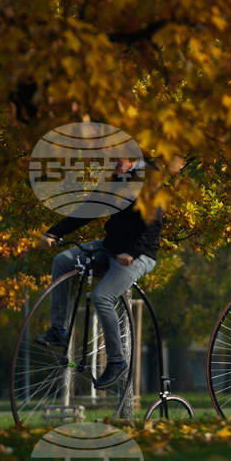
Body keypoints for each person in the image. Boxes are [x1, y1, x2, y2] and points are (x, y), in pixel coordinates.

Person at [36, 157, 162, 390]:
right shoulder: (114, 180)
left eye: (118, 159)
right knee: (62, 261)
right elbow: (88, 210)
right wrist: (54, 233)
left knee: (102, 296)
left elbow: (153, 227)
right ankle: (58, 330)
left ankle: (117, 361)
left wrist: (132, 252)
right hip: (110, 247)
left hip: (139, 254)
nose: (113, 164)